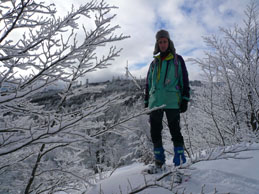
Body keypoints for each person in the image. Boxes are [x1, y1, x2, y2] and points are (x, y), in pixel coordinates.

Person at [144, 29, 190, 169]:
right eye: (160, 42)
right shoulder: (154, 63)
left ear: (168, 43)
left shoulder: (177, 60)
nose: (163, 44)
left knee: (175, 130)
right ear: (157, 44)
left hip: (172, 101)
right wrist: (147, 102)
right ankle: (159, 161)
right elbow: (148, 83)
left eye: (165, 41)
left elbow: (184, 79)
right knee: (155, 132)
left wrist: (185, 98)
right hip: (155, 102)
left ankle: (179, 160)